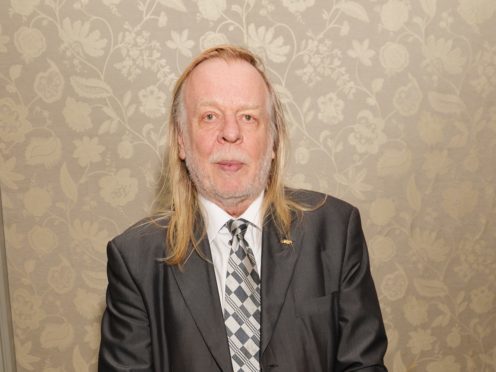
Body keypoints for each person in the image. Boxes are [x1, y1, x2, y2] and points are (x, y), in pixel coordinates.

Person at [98, 45, 388, 372]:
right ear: (181, 139)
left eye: (248, 117)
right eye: (210, 116)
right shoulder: (134, 260)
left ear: (274, 139)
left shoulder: (336, 230)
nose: (231, 133)